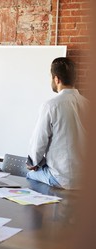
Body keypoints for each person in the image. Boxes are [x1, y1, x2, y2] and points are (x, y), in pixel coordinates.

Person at [26, 57, 89, 189]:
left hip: (62, 179)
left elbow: (39, 142)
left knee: (29, 174)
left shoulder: (51, 106)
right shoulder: (87, 104)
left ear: (56, 79)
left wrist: (33, 163)